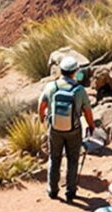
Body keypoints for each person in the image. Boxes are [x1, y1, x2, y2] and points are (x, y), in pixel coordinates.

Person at [39, 64, 92, 200]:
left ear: (61, 71)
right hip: (74, 130)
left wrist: (42, 119)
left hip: (55, 129)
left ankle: (53, 190)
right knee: (73, 160)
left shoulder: (51, 86)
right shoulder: (79, 90)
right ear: (74, 72)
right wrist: (91, 126)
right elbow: (87, 111)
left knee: (54, 158)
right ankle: (70, 191)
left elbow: (42, 105)